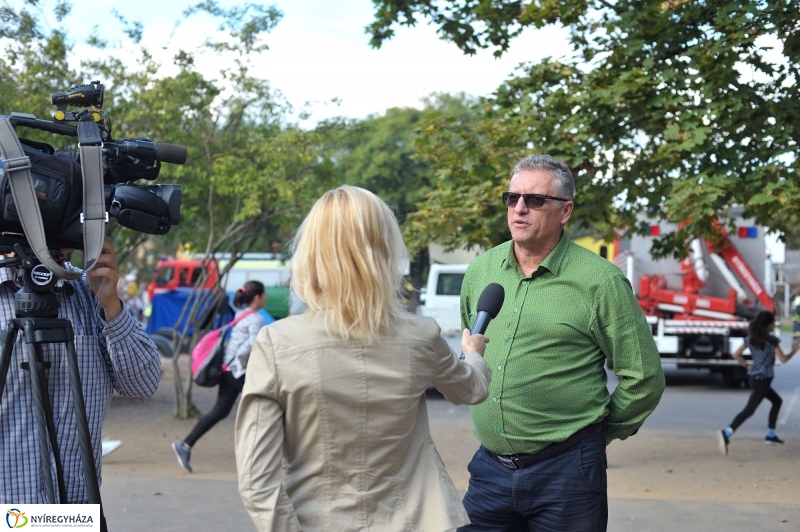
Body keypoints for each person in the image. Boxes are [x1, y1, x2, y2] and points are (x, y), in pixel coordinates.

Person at [235, 185, 492, 532]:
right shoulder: (421, 335)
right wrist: (473, 354)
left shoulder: (277, 343)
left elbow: (257, 482)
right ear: (386, 250)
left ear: (310, 253)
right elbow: (471, 389)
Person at [457, 154, 666, 532]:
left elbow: (644, 376)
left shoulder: (601, 282)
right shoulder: (481, 270)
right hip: (489, 471)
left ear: (565, 210)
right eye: (512, 198)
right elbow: (469, 348)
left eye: (535, 200)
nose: (520, 208)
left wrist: (598, 434)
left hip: (567, 474)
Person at [0, 240, 161, 530]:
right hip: (8, 514)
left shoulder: (89, 291)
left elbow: (144, 384)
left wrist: (111, 305)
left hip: (74, 517)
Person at [172, 280, 267, 473]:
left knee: (221, 410)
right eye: (264, 295)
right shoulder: (255, 319)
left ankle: (185, 445)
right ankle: (262, 455)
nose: (265, 298)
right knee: (266, 406)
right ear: (257, 297)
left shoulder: (241, 314)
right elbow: (253, 345)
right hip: (238, 371)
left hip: (228, 369)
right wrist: (242, 362)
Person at [717, 310, 798, 454]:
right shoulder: (772, 341)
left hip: (754, 378)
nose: (774, 325)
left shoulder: (751, 339)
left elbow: (736, 355)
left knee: (777, 401)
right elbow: (784, 359)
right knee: (749, 410)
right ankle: (727, 432)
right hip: (763, 380)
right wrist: (794, 350)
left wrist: (746, 365)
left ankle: (770, 435)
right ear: (768, 325)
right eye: (773, 323)